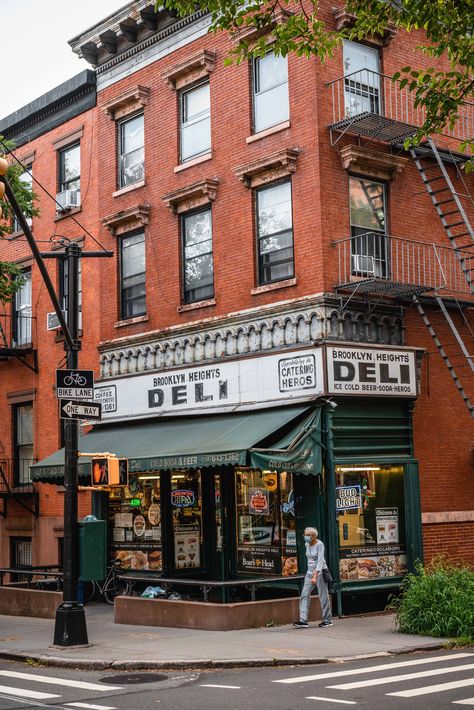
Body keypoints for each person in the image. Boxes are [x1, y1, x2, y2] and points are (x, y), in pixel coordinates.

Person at [293, 526, 333, 628]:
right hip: (309, 572)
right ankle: (303, 620)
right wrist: (310, 573)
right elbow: (309, 560)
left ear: (314, 536)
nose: (305, 537)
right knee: (304, 595)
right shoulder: (307, 544)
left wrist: (315, 575)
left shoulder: (320, 544)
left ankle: (327, 620)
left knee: (323, 596)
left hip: (319, 572)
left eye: (308, 535)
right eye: (305, 535)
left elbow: (320, 561)